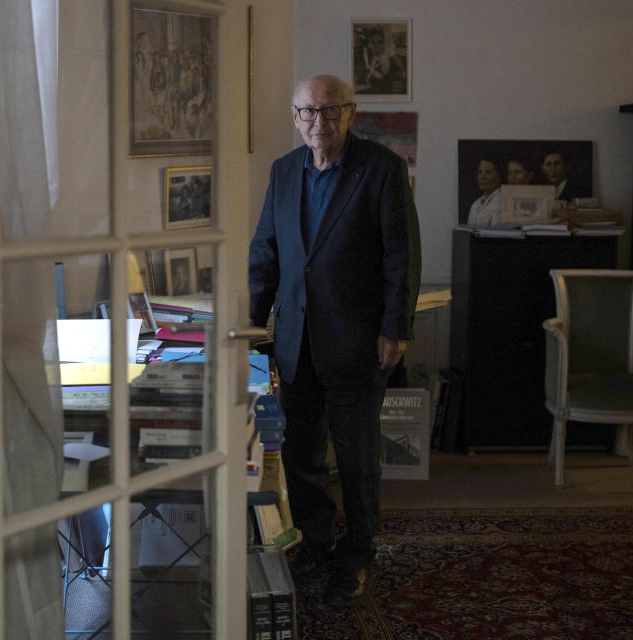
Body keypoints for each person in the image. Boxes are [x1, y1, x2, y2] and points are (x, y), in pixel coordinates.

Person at [248, 74, 421, 607]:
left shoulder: (383, 169)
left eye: (328, 111)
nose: (317, 123)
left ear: (351, 113)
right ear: (294, 115)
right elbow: (265, 254)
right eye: (306, 112)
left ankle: (360, 554)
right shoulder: (283, 171)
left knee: (356, 456)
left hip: (359, 343)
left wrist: (395, 329)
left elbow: (402, 257)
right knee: (300, 454)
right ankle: (317, 543)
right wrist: (253, 330)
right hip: (295, 341)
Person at [356, 27, 407, 94]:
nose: (376, 46)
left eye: (380, 42)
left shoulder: (392, 59)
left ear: (385, 43)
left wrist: (383, 77)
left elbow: (401, 75)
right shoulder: (374, 59)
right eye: (373, 43)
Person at [466, 157, 502, 226]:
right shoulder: (475, 204)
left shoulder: (501, 202)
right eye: (480, 172)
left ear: (499, 177)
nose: (482, 177)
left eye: (488, 172)